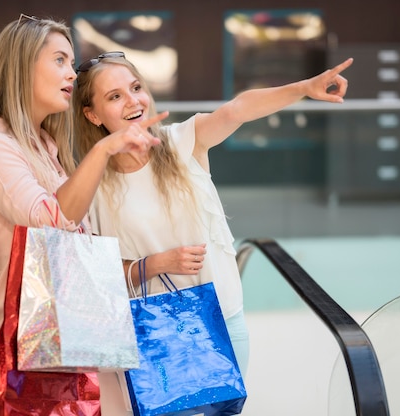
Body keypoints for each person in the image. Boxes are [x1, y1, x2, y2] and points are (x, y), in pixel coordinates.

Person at [73, 51, 353, 414]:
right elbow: (97, 273)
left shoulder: (179, 143)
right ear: (92, 115)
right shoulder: (94, 182)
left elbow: (237, 109)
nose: (133, 101)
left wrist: (304, 88)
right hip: (158, 337)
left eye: (136, 87)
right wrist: (156, 263)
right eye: (114, 96)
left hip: (224, 321)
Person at [0, 15, 165, 411]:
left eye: (70, 63)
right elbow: (51, 219)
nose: (71, 74)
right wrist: (104, 149)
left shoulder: (45, 144)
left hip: (72, 331)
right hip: (35, 341)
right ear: (21, 67)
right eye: (59, 61)